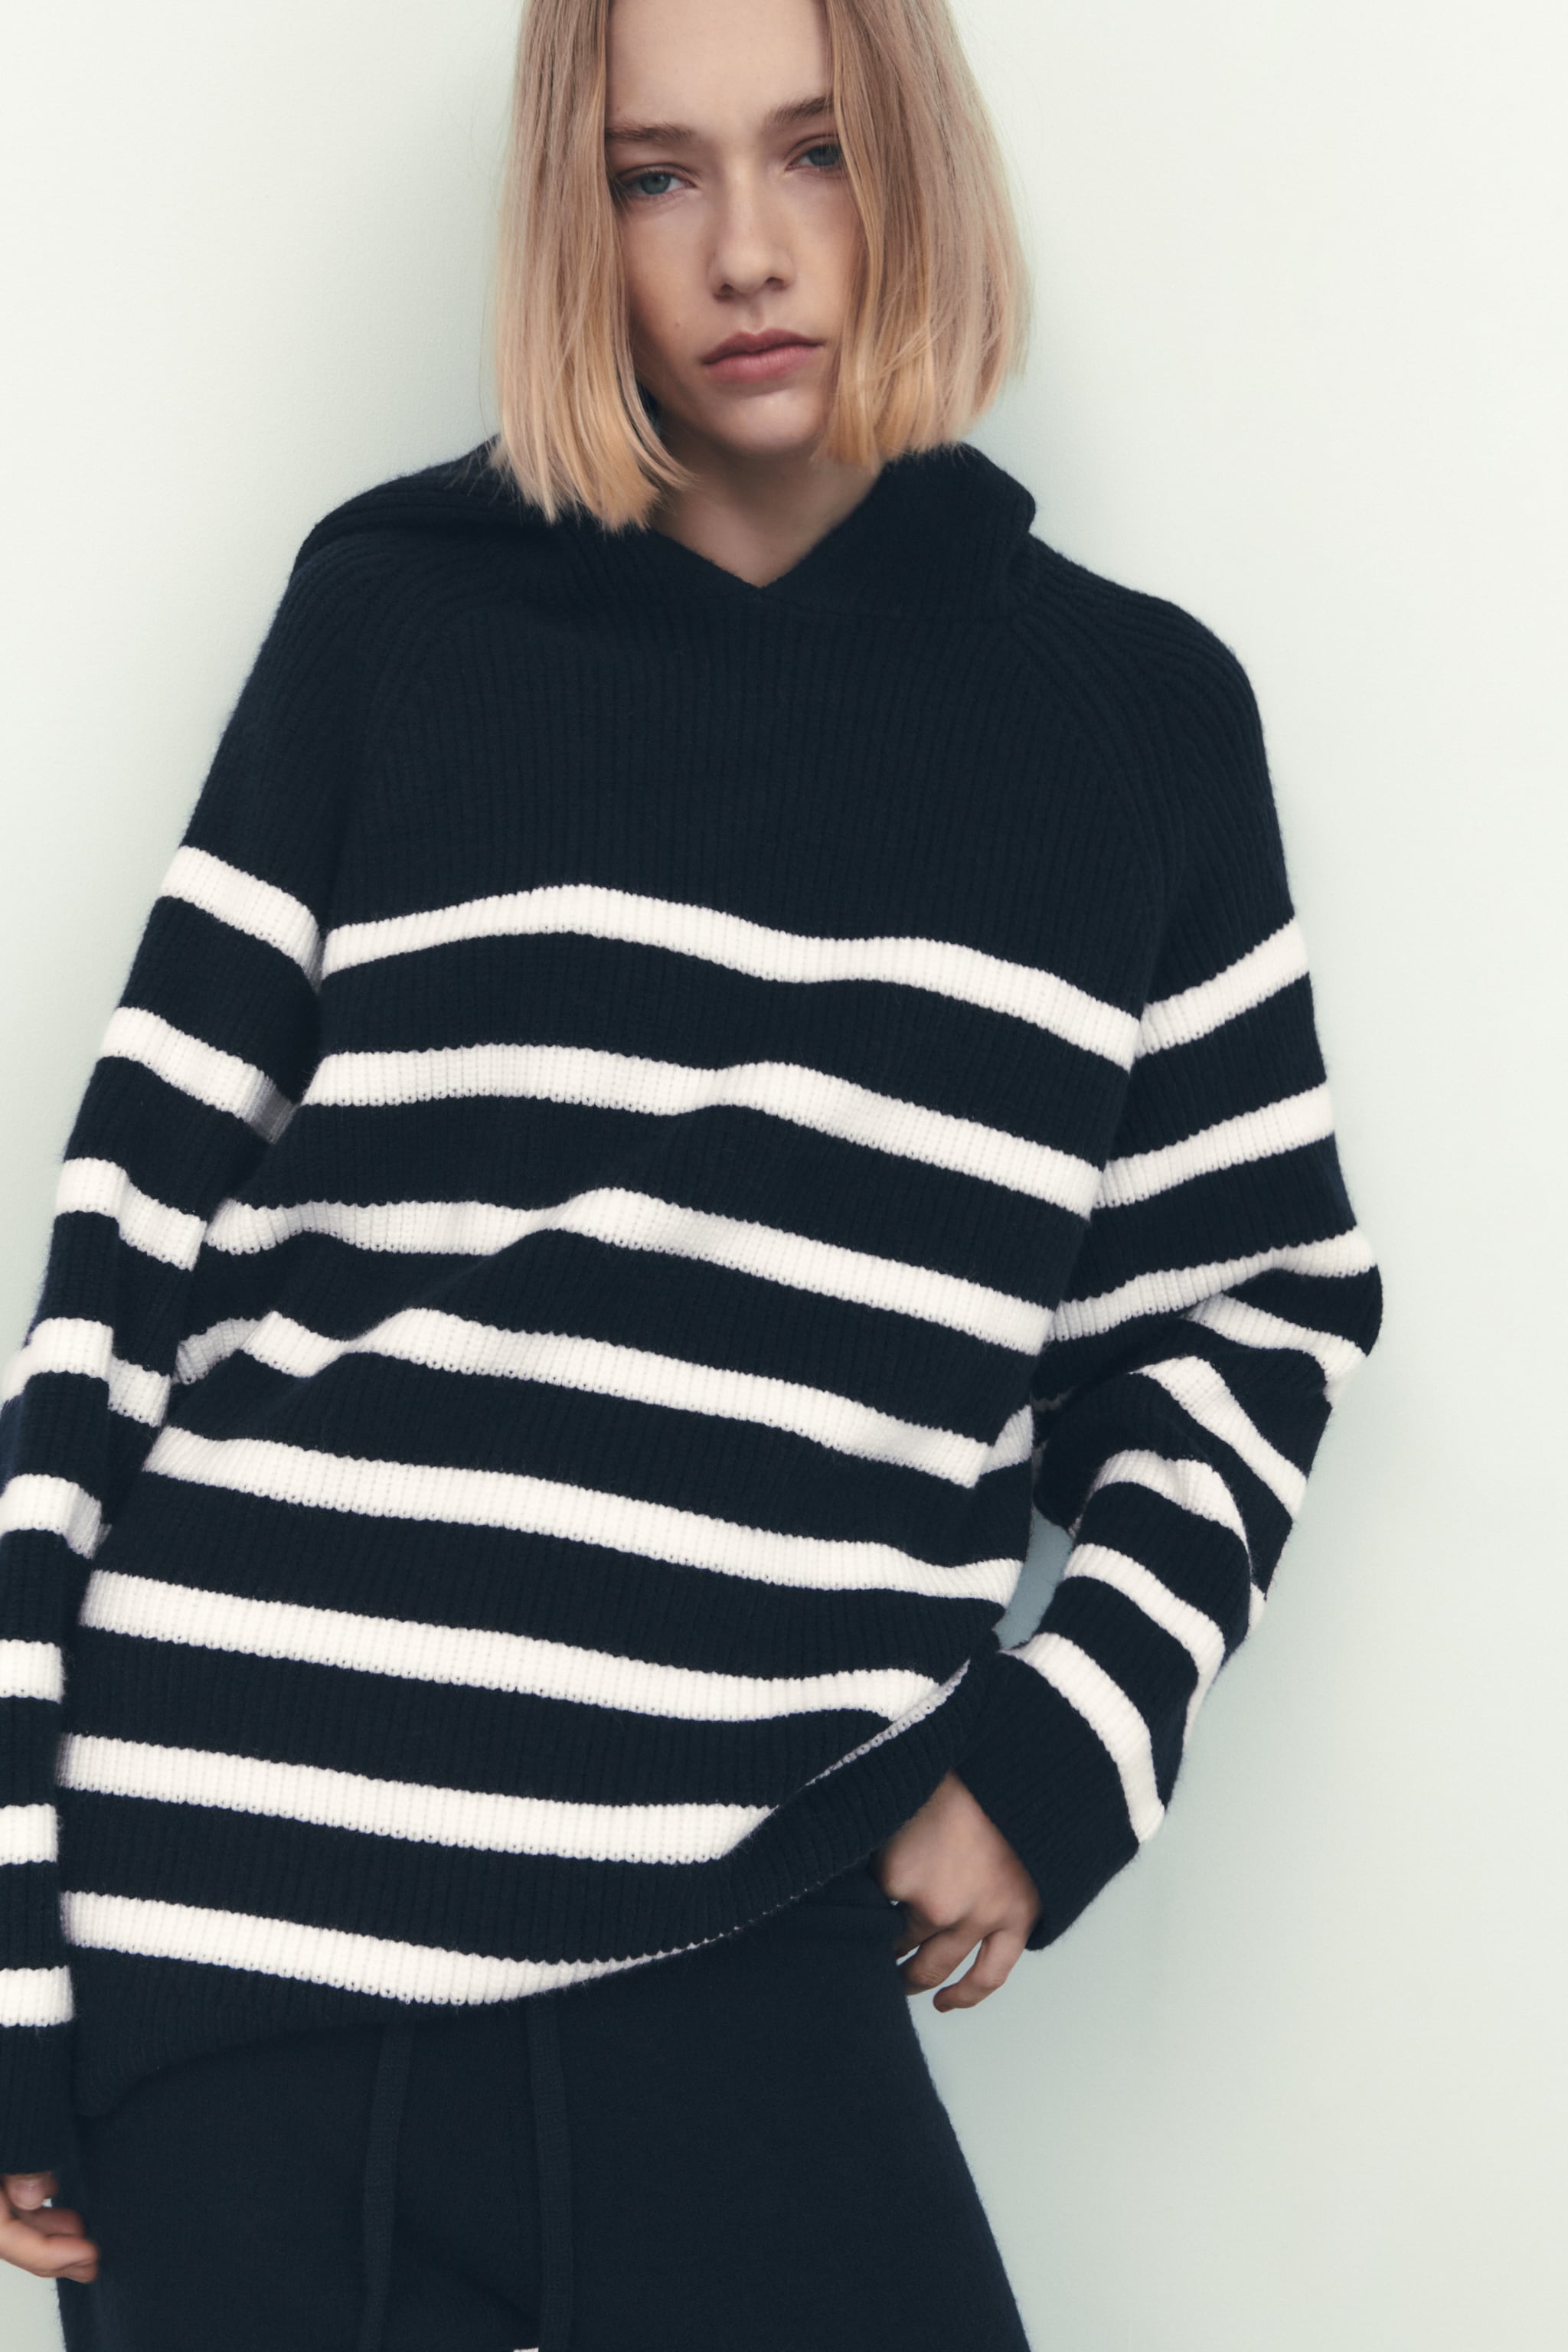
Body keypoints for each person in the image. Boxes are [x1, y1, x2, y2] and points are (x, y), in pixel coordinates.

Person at [0, 0, 1383, 2344]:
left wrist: (1064, 1745)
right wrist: (18, 1958)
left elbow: (1252, 1311)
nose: (746, 247)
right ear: (580, 215)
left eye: (814, 152)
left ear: (918, 166)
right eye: (658, 174)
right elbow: (117, 1276)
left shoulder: (1130, 728)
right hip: (233, 1935)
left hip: (746, 1919)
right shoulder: (397, 618)